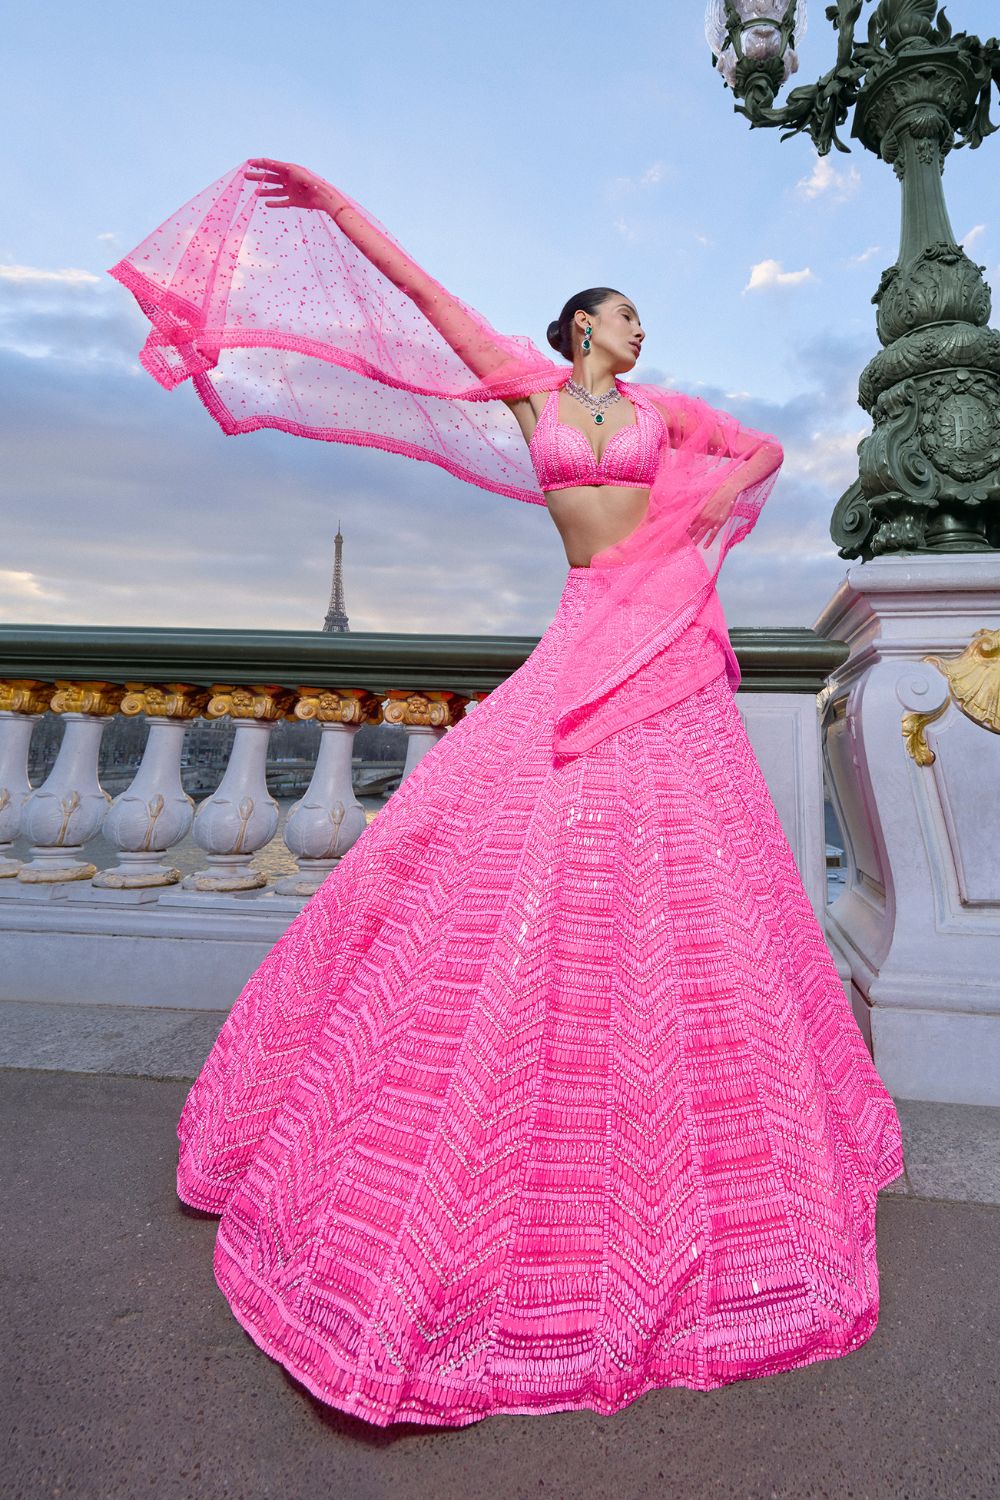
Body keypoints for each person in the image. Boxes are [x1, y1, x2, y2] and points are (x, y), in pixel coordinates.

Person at [110, 158, 904, 1428]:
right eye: (626, 314)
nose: (641, 331)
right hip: (583, 633)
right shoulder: (524, 387)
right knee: (491, 853)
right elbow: (424, 300)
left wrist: (674, 537)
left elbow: (752, 456)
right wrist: (335, 210)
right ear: (580, 325)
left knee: (690, 877)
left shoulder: (671, 407)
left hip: (656, 644)